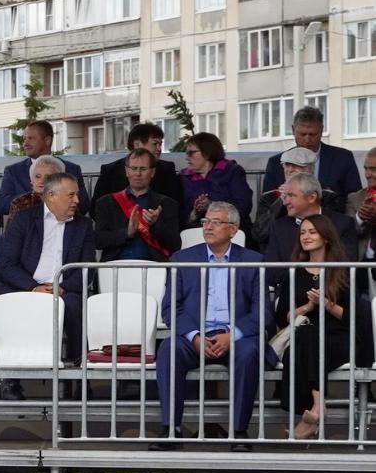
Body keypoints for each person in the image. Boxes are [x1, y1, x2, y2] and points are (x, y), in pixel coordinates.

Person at [152, 202, 269, 450]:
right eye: (205, 221)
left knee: (249, 353)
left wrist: (232, 335)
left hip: (235, 336)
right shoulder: (182, 258)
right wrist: (194, 336)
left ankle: (238, 432)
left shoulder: (253, 260)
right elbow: (171, 307)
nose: (208, 226)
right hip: (196, 335)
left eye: (216, 222)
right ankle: (171, 431)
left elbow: (262, 313)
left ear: (234, 229)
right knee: (169, 349)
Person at [0, 173, 95, 383]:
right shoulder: (24, 219)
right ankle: (10, 382)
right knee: (12, 305)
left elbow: (87, 270)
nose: (77, 200)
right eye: (71, 195)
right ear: (51, 196)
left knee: (76, 305)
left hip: (64, 290)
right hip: (26, 288)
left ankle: (80, 377)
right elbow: (6, 265)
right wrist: (34, 288)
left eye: (76, 195)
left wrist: (62, 287)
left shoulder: (83, 226)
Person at [272, 216, 354, 440]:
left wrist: (327, 305)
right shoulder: (294, 273)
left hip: (337, 337)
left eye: (312, 232)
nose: (306, 237)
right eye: (303, 233)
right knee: (307, 336)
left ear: (326, 237)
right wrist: (308, 306)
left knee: (309, 340)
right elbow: (284, 317)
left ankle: (313, 413)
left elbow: (354, 316)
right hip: (303, 335)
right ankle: (318, 407)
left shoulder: (343, 270)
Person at [261, 174, 359, 292]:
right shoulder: (279, 227)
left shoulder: (343, 223)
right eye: (285, 196)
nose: (285, 202)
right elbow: (272, 269)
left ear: (312, 197)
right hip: (292, 294)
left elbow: (346, 266)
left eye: (291, 196)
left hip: (333, 293)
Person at [260, 105, 362, 206]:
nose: (307, 140)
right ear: (293, 130)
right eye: (302, 134)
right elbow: (267, 204)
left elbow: (354, 198)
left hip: (331, 220)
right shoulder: (276, 163)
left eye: (313, 134)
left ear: (321, 130)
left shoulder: (343, 158)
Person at [91, 147, 180, 262]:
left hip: (155, 269)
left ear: (152, 172)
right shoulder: (106, 203)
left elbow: (175, 244)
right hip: (115, 268)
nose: (138, 173)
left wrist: (155, 224)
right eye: (134, 168)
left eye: (143, 169)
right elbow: (98, 240)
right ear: (127, 171)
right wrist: (127, 233)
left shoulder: (167, 204)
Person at [0, 121, 89, 216]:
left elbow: (83, 206)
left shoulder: (71, 169)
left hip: (63, 227)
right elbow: (2, 205)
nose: (25, 144)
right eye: (25, 139)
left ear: (47, 141)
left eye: (31, 138)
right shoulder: (13, 171)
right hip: (26, 229)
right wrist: (34, 196)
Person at [256, 146, 341, 236]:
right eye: (287, 165)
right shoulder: (269, 198)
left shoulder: (327, 197)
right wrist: (281, 200)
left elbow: (332, 230)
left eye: (296, 165)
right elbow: (260, 234)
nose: (289, 170)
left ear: (310, 170)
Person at [179, 132, 252, 232]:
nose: (187, 158)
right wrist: (194, 212)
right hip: (195, 231)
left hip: (230, 231)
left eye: (191, 153)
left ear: (207, 153)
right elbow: (177, 214)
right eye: (187, 153)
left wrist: (212, 205)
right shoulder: (183, 177)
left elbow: (244, 207)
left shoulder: (232, 171)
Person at [93, 122, 181, 202]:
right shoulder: (110, 170)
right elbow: (96, 207)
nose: (159, 149)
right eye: (155, 144)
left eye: (160, 144)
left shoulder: (167, 169)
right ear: (137, 144)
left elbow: (175, 204)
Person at [2, 154, 64, 226]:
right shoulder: (20, 203)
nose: (42, 181)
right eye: (38, 176)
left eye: (48, 177)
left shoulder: (68, 202)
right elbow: (11, 235)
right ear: (31, 181)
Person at [349, 146, 376, 262]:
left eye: (374, 169)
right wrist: (360, 217)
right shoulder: (355, 198)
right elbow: (346, 234)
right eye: (366, 169)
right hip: (362, 265)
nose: (367, 174)